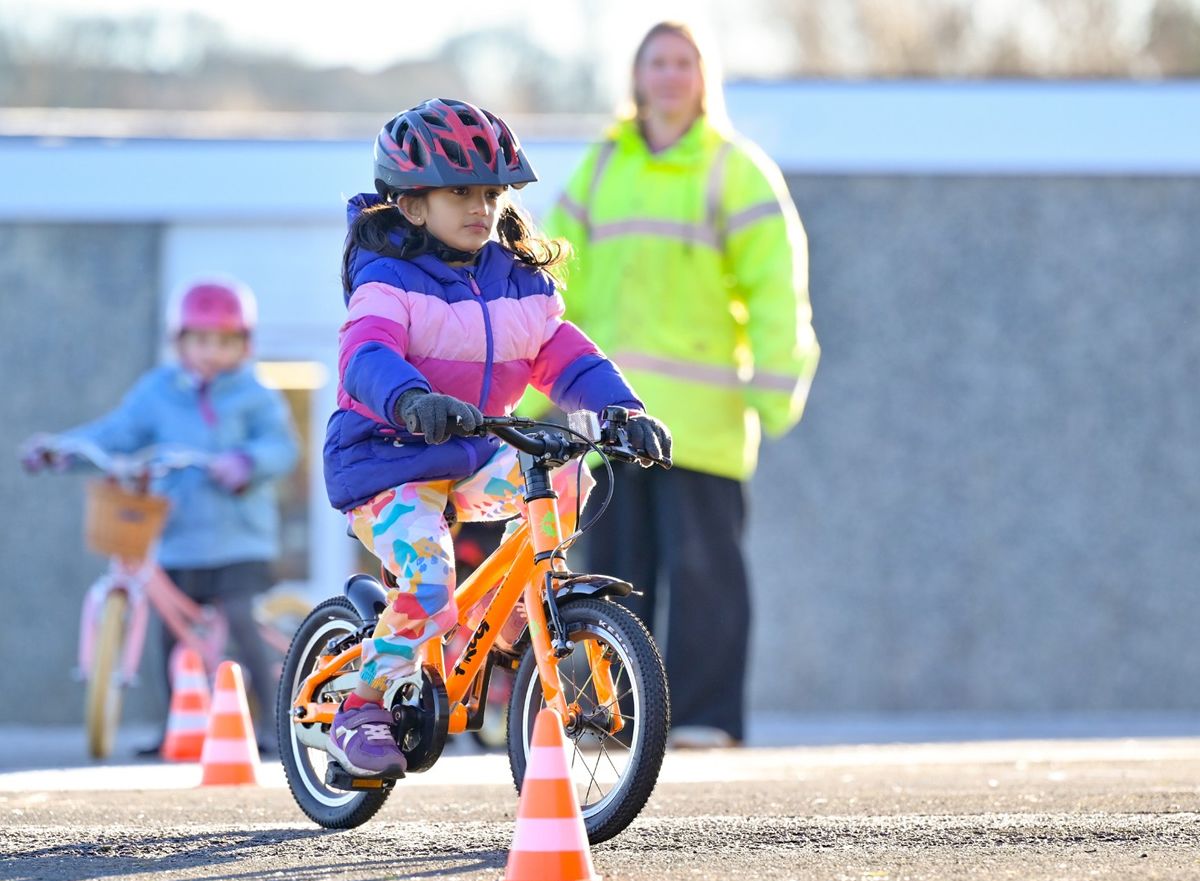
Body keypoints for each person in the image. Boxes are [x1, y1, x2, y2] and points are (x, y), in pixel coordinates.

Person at [322, 97, 672, 777]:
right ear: (412, 205)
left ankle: (516, 604)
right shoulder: (388, 280)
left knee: (571, 471)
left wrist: (622, 412)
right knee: (426, 580)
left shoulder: (517, 281)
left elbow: (567, 356)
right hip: (387, 460)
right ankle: (359, 705)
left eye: (491, 192)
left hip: (472, 452)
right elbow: (365, 356)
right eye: (460, 193)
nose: (481, 207)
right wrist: (410, 399)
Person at [544, 22, 820, 749]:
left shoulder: (735, 169)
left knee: (704, 576)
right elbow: (552, 279)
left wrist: (775, 381)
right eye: (655, 62)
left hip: (703, 419)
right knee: (615, 577)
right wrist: (535, 380)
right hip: (611, 422)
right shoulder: (601, 169)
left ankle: (703, 717)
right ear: (636, 78)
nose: (668, 75)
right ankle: (610, 717)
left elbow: (774, 287)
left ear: (704, 78)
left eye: (683, 63)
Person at [22, 278, 299, 754]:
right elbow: (114, 433)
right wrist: (62, 450)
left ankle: (274, 725)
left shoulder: (255, 393)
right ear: (180, 342)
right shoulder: (158, 391)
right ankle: (180, 723)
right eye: (201, 340)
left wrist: (247, 461)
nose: (212, 352)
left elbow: (281, 446)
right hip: (179, 536)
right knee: (172, 637)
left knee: (238, 616)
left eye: (225, 342)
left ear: (244, 345)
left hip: (240, 539)